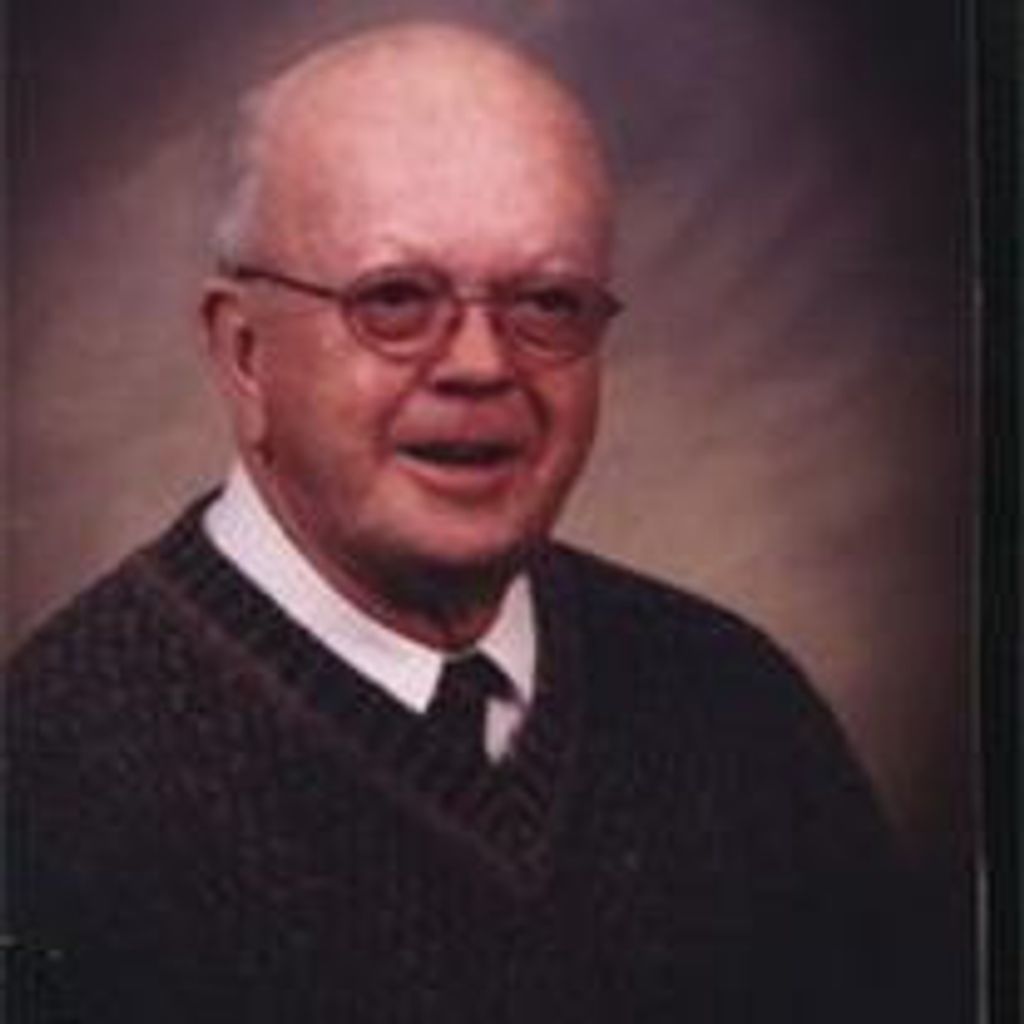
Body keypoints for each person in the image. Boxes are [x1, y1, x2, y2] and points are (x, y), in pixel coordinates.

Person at [8, 22, 934, 1023]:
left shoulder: (741, 710)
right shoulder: (45, 779)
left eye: (548, 302)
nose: (482, 365)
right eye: (396, 299)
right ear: (244, 354)